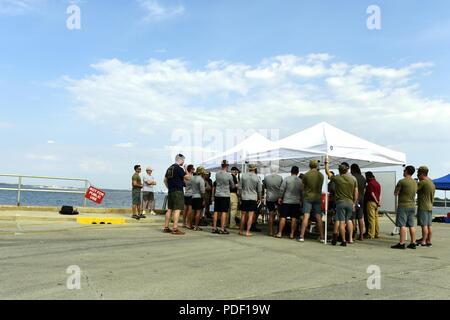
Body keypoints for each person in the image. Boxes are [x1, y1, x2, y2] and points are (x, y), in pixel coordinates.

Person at [325, 158, 357, 246]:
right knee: (348, 221)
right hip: (350, 203)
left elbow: (328, 172)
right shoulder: (353, 179)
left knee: (341, 222)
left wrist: (326, 163)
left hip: (340, 203)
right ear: (347, 170)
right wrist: (354, 202)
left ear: (339, 170)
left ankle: (343, 240)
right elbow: (356, 192)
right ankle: (350, 237)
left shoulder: (338, 178)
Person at [391, 166, 418, 249]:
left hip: (403, 205)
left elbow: (396, 193)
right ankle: (413, 242)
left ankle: (402, 243)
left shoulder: (402, 181)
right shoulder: (415, 182)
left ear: (406, 171)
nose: (403, 171)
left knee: (402, 225)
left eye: (404, 170)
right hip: (412, 206)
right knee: (411, 225)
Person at [299, 160, 325, 243]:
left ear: (309, 166)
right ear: (317, 166)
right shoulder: (321, 175)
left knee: (306, 216)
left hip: (308, 197)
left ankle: (302, 236)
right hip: (317, 197)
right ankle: (321, 237)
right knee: (318, 217)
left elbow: (302, 188)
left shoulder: (306, 175)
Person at [163, 154, 190, 235]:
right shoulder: (178, 168)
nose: (184, 162)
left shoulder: (169, 168)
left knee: (169, 209)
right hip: (178, 191)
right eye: (183, 160)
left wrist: (169, 188)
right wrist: (185, 169)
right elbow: (188, 177)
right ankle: (175, 228)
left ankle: (166, 227)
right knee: (177, 209)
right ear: (181, 160)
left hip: (170, 191)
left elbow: (165, 180)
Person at [275, 166, 302, 239]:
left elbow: (282, 189)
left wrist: (280, 197)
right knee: (294, 218)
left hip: (286, 201)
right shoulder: (300, 181)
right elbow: (302, 192)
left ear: (291, 171)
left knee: (283, 217)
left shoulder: (286, 179)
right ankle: (292, 234)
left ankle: (280, 233)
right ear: (298, 172)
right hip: (296, 202)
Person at [238, 163, 262, 237]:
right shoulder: (257, 177)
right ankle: (247, 232)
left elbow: (240, 187)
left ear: (248, 168)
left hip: (244, 197)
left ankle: (241, 231)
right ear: (255, 168)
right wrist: (260, 198)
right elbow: (259, 190)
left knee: (243, 215)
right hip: (253, 197)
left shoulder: (243, 176)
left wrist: (240, 195)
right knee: (251, 216)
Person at [211, 160, 235, 234]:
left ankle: (214, 228)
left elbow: (216, 183)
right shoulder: (229, 175)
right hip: (225, 195)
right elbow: (232, 185)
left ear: (221, 165)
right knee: (224, 211)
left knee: (216, 211)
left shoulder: (217, 174)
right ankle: (222, 228)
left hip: (217, 194)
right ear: (227, 165)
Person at [416, 166, 436, 248]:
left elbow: (414, 189)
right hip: (430, 206)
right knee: (429, 225)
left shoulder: (423, 182)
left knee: (424, 225)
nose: (417, 175)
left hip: (423, 206)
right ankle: (428, 241)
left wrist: (416, 183)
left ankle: (423, 241)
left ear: (422, 174)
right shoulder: (431, 182)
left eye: (418, 173)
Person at [262, 165, 283, 236]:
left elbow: (264, 187)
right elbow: (282, 188)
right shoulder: (280, 178)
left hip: (269, 197)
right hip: (278, 197)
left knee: (271, 215)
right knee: (279, 214)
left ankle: (270, 231)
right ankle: (278, 231)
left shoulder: (266, 178)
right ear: (277, 170)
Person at [351, 164, 366, 241]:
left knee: (353, 217)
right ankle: (361, 235)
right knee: (360, 217)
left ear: (353, 169)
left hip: (354, 199)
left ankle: (353, 235)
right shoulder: (363, 178)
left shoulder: (352, 177)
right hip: (361, 199)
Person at [364, 172, 381, 239]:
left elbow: (372, 193)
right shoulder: (377, 183)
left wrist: (376, 201)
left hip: (371, 202)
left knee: (371, 219)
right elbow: (379, 194)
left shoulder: (370, 184)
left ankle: (371, 234)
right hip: (376, 203)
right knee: (376, 219)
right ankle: (377, 233)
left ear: (368, 177)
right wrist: (378, 202)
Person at [190, 166, 206, 231]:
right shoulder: (201, 179)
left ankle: (190, 225)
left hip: (193, 196)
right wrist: (204, 199)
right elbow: (202, 191)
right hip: (199, 197)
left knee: (193, 211)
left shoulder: (192, 178)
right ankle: (196, 226)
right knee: (198, 212)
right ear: (202, 172)